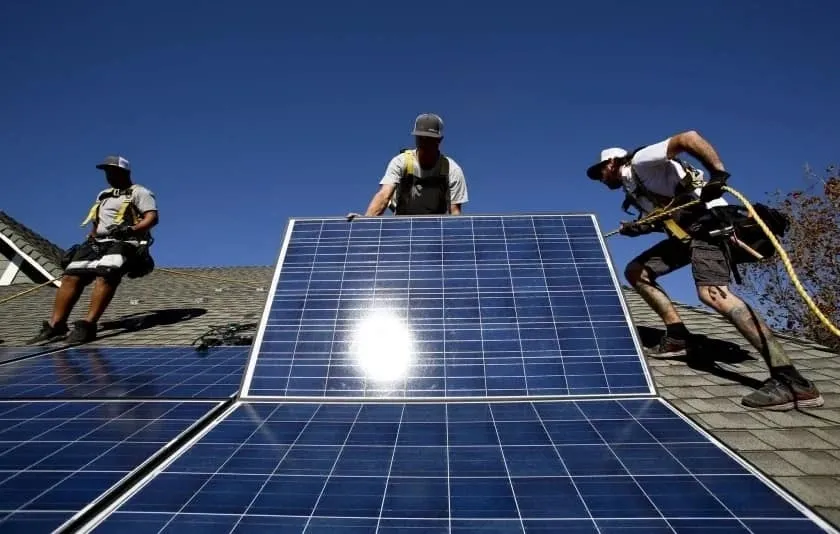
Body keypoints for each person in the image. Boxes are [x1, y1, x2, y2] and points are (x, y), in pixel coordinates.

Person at [586, 130, 823, 411]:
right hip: (686, 237)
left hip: (710, 227)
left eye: (601, 172)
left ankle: (792, 381)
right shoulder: (635, 189)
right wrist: (640, 227)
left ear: (612, 163)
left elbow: (688, 138)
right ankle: (678, 337)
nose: (601, 179)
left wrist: (718, 175)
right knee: (637, 271)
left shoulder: (640, 162)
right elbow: (668, 214)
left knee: (714, 295)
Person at [28, 155, 159, 345]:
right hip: (98, 242)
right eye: (107, 172)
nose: (109, 175)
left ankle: (88, 326)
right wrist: (92, 233)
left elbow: (152, 218)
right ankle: (56, 325)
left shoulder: (140, 193)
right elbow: (99, 220)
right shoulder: (103, 194)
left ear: (124, 172)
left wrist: (130, 229)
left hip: (125, 241)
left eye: (113, 171)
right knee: (71, 276)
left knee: (106, 274)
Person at [346, 113, 468, 219]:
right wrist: (365, 224)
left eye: (429, 139)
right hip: (402, 220)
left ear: (439, 140)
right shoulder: (401, 161)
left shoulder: (452, 170)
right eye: (421, 138)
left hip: (434, 225)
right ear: (415, 138)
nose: (424, 143)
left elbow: (455, 212)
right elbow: (384, 195)